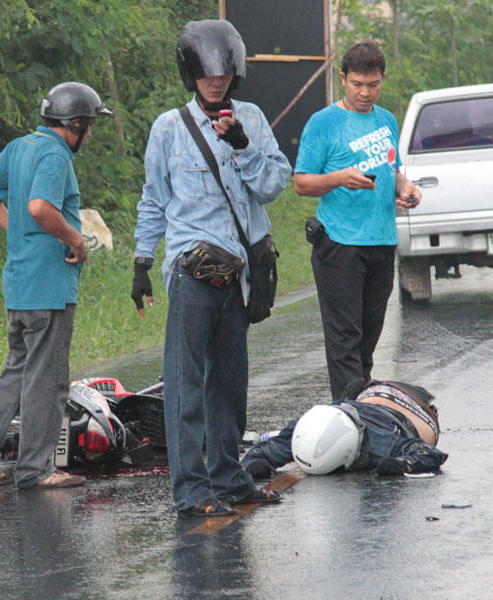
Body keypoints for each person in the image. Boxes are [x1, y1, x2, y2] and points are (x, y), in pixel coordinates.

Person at [130, 19, 292, 517]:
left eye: (221, 75)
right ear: (191, 75)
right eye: (205, 75)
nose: (214, 83)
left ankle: (229, 476)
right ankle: (192, 490)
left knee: (230, 384)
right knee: (186, 385)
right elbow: (154, 200)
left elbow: (275, 184)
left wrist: (243, 146)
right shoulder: (168, 128)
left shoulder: (254, 120)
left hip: (240, 274)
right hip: (191, 272)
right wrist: (141, 261)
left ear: (235, 72)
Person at [0, 82, 113, 489]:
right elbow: (40, 207)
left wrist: (16, 229)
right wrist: (74, 239)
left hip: (20, 283)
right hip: (48, 285)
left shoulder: (20, 147)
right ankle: (36, 470)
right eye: (88, 125)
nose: (90, 134)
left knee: (17, 372)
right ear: (73, 123)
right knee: (48, 380)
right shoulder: (55, 155)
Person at [293, 42, 422, 401]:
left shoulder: (386, 120)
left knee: (368, 338)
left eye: (373, 84)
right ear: (342, 80)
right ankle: (350, 416)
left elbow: (392, 170)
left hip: (381, 240)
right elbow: (301, 182)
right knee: (345, 341)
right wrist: (339, 178)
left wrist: (405, 187)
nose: (366, 93)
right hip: (340, 244)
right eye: (357, 84)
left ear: (382, 81)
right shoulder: (323, 123)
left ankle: (362, 413)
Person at [241, 379, 448, 478]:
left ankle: (361, 392)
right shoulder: (304, 429)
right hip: (359, 401)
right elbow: (263, 451)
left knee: (425, 436)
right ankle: (357, 394)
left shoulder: (381, 443)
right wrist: (255, 465)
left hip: (414, 406)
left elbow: (433, 454)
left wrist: (402, 464)